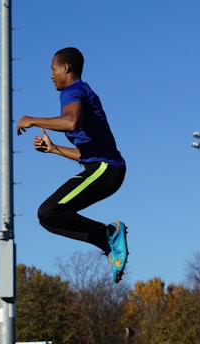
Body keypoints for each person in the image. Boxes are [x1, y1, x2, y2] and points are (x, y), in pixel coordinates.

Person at [16, 47, 128, 283]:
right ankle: (107, 240)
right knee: (48, 216)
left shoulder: (72, 91)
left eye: (52, 69)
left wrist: (32, 120)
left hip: (105, 169)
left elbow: (71, 122)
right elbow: (86, 152)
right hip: (102, 168)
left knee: (49, 212)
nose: (50, 75)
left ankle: (108, 235)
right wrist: (53, 149)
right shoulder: (82, 92)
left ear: (65, 68)